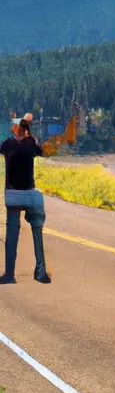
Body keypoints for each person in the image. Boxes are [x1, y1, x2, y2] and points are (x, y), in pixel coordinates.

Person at [1, 114, 51, 284]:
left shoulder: (7, 144)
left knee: (12, 233)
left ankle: (9, 275)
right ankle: (40, 271)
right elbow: (42, 151)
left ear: (14, 129)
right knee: (37, 228)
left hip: (13, 195)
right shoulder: (31, 143)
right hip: (29, 194)